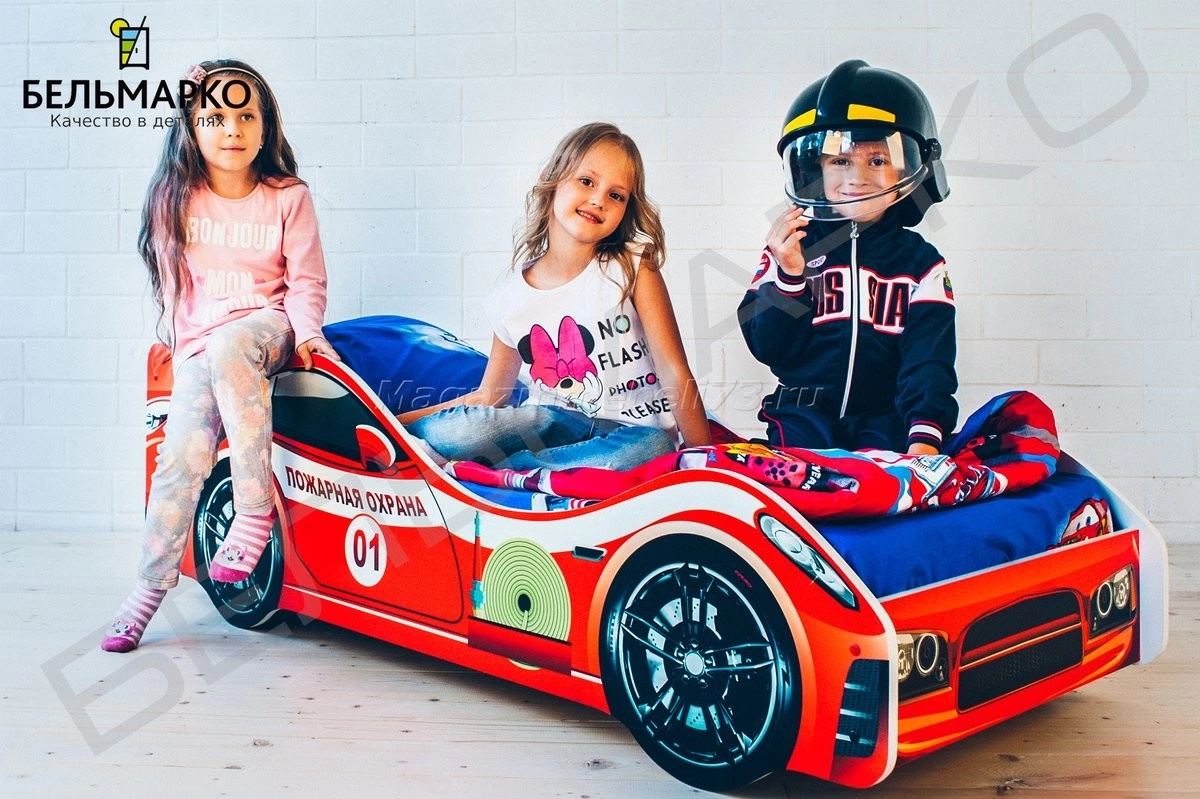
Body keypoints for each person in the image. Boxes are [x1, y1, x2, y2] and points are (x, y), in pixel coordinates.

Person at [102, 59, 338, 652]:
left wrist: (308, 335)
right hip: (205, 347)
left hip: (267, 329)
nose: (231, 128)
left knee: (234, 342)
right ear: (191, 126)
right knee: (180, 454)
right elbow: (175, 290)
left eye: (245, 115)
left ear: (265, 126)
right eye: (213, 116)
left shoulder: (288, 197)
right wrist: (185, 356)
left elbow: (307, 282)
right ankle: (148, 587)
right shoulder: (175, 198)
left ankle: (254, 510)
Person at [402, 122, 710, 470]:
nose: (598, 199)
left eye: (616, 195)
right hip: (552, 423)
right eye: (587, 181)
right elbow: (490, 397)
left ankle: (506, 472)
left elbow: (673, 370)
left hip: (632, 435)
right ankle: (412, 444)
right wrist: (395, 423)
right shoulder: (510, 299)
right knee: (457, 433)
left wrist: (705, 460)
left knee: (654, 448)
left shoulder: (633, 267)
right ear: (552, 178)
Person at [739, 59, 957, 456]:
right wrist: (790, 277)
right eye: (840, 161)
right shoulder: (790, 248)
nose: (856, 177)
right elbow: (769, 348)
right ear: (814, 173)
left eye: (877, 160)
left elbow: (929, 362)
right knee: (803, 478)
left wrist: (924, 438)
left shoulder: (922, 265)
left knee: (881, 484)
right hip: (802, 411)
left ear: (908, 172)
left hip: (886, 416)